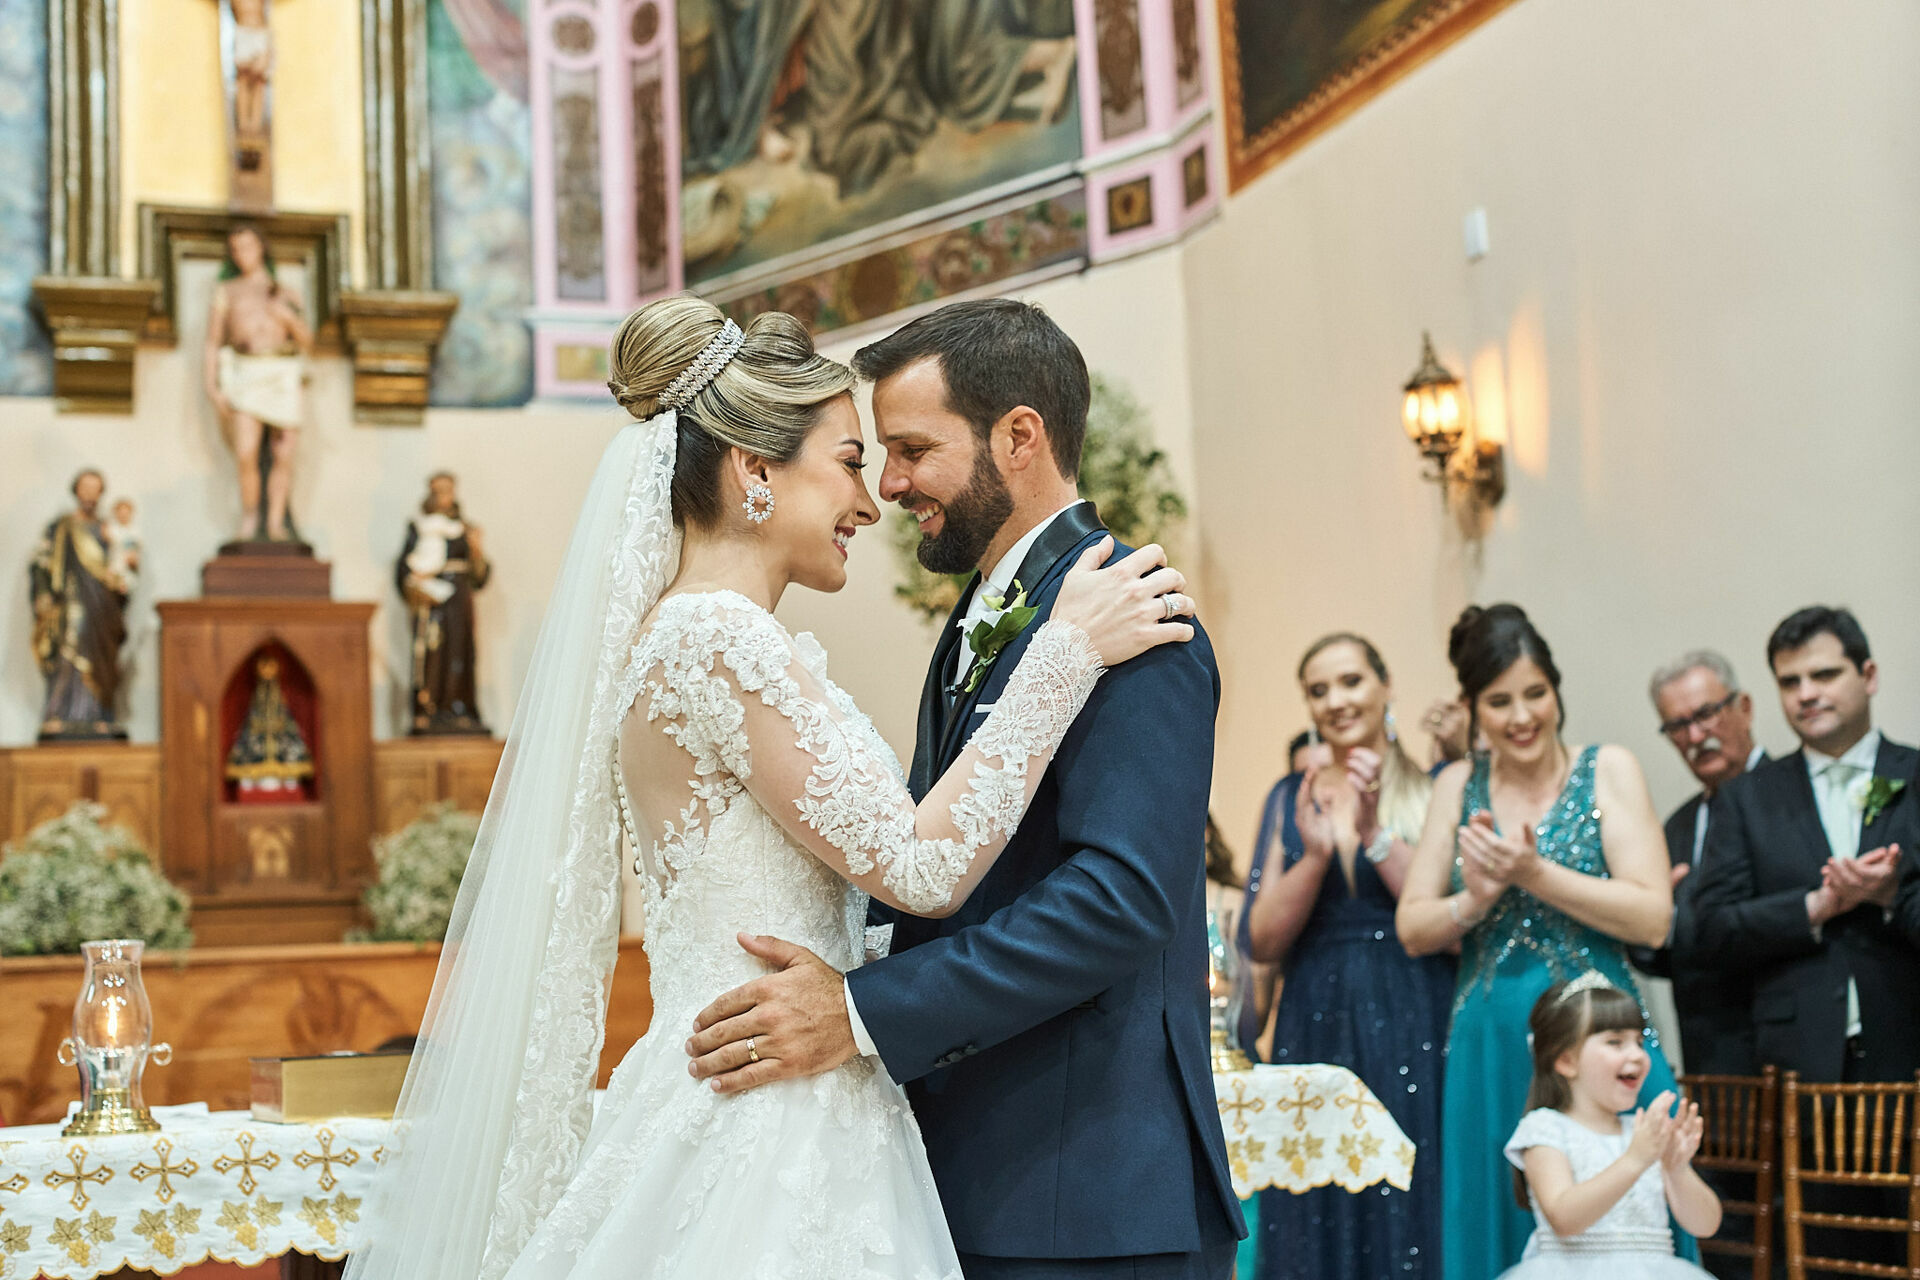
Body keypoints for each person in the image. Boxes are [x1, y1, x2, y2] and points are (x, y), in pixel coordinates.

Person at [345, 296, 1198, 1280]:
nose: (872, 499)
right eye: (851, 459)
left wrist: (869, 990)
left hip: (781, 1086)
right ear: (754, 469)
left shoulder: (685, 637)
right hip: (773, 1111)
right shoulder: (720, 639)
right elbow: (922, 868)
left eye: (894, 456)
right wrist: (1063, 653)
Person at [677, 298, 1244, 1278]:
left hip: (1085, 1194)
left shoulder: (1134, 616)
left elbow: (1118, 900)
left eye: (911, 450)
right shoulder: (991, 613)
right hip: (974, 1171)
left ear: (1018, 436)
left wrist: (863, 1011)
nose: (890, 485)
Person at [1396, 603, 1683, 1280]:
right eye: (1499, 702)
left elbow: (1653, 918)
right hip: (1491, 1047)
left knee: (1630, 1221)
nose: (1522, 716)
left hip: (1602, 1039)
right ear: (1472, 709)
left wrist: (1534, 874)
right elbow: (1413, 927)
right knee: (1498, 1221)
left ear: (1556, 690)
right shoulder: (1457, 786)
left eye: (1535, 694)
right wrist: (1476, 900)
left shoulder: (1609, 769)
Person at [1239, 634, 1455, 1280]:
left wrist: (1371, 834)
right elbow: (1260, 940)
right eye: (1319, 689)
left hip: (1415, 1000)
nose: (1336, 700)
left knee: (1411, 1180)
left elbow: (1448, 920)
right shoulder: (1290, 794)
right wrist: (1313, 857)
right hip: (1316, 1011)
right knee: (1319, 1186)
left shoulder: (1435, 787)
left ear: (1386, 685)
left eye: (1351, 681)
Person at [1683, 607, 1920, 1083]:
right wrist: (1815, 907)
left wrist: (1891, 895)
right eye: (1790, 682)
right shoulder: (1747, 798)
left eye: (1824, 675)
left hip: (1908, 1040)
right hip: (1797, 1065)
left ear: (1868, 675)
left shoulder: (1914, 775)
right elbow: (1711, 930)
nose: (1806, 694)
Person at [1498, 975, 1720, 1280]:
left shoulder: (1642, 1133)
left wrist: (1677, 1169)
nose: (1637, 1055)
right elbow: (1563, 1218)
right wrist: (1634, 1160)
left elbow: (1706, 1225)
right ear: (1566, 1061)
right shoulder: (1545, 1129)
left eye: (1639, 1042)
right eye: (1615, 1042)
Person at [204, 223, 312, 542]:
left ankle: (275, 523)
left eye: (247, 246)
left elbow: (307, 341)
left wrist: (287, 317)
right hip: (246, 371)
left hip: (281, 372)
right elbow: (213, 341)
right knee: (245, 452)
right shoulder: (227, 291)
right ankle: (250, 518)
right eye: (235, 249)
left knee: (283, 454)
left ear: (261, 247)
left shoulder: (285, 292)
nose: (242, 254)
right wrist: (212, 385)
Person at [29, 469, 130, 740]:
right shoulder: (61, 527)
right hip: (71, 601)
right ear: (75, 490)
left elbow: (121, 564)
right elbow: (40, 562)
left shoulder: (109, 529)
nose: (89, 493)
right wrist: (43, 594)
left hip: (103, 607)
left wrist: (124, 575)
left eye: (95, 488)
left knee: (102, 662)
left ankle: (100, 714)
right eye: (85, 487)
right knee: (68, 652)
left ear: (101, 493)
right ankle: (59, 714)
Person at [397, 472, 493, 735]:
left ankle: (459, 708)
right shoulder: (419, 528)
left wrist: (476, 548)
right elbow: (404, 569)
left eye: (447, 490)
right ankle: (429, 710)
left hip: (459, 601)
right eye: (437, 490)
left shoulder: (464, 529)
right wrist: (416, 584)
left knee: (460, 651)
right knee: (432, 653)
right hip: (432, 601)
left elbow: (480, 576)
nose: (442, 496)